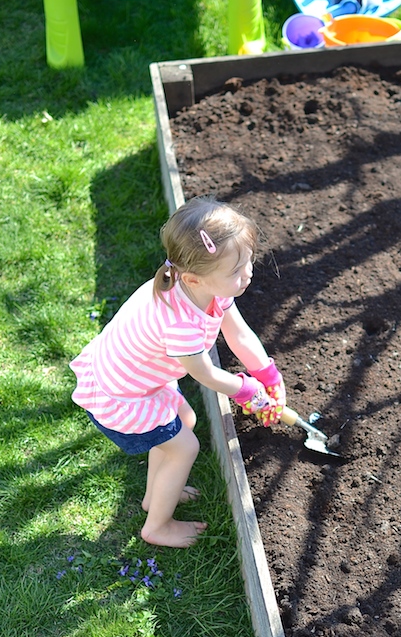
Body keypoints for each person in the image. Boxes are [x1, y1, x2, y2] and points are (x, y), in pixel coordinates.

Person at [69, 196, 285, 548]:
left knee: (183, 419)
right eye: (236, 271)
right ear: (194, 278)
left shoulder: (206, 289)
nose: (247, 274)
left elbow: (239, 333)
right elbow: (207, 375)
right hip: (121, 394)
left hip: (136, 379)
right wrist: (247, 391)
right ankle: (157, 526)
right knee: (185, 447)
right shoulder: (179, 322)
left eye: (248, 261)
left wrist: (267, 375)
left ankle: (156, 495)